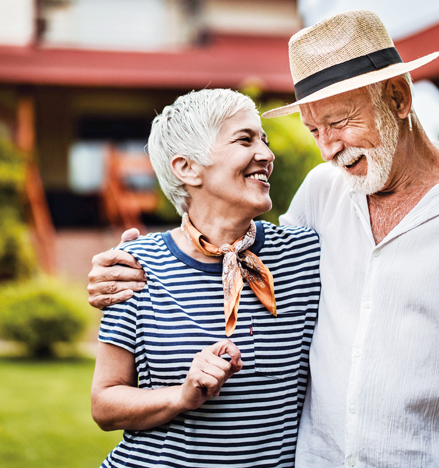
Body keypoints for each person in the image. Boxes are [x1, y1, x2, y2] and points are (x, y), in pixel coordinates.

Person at [87, 10, 439, 467]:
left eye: (338, 122)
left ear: (399, 97)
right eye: (314, 131)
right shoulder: (323, 193)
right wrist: (123, 267)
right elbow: (237, 249)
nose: (327, 149)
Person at [90, 88, 321, 468]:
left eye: (264, 140)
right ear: (187, 168)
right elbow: (105, 404)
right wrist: (181, 396)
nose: (266, 154)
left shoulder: (305, 255)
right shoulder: (135, 266)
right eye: (245, 140)